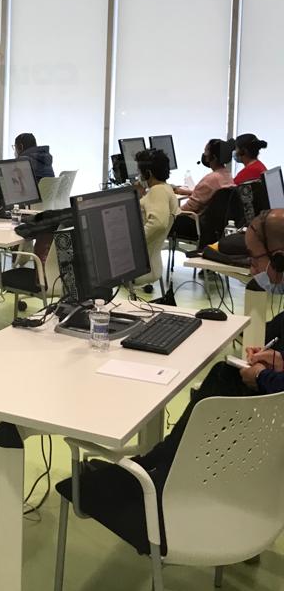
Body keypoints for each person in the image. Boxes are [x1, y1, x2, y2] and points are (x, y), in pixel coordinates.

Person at [58, 209, 284, 553]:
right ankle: (159, 462)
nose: (252, 269)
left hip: (184, 515)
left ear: (279, 259)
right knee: (225, 374)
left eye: (254, 259)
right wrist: (276, 361)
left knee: (226, 379)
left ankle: (157, 476)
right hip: (259, 492)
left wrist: (265, 376)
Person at [171, 137, 234, 238]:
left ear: (213, 157)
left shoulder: (210, 179)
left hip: (197, 225)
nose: (204, 154)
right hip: (215, 226)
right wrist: (186, 192)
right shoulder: (227, 175)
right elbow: (209, 195)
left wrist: (171, 212)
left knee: (165, 219)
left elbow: (189, 208)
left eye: (206, 151)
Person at [134, 148, 178, 285]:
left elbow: (158, 223)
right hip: (152, 263)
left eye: (140, 172)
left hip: (138, 264)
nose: (139, 176)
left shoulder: (158, 191)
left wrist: (132, 243)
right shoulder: (166, 188)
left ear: (148, 173)